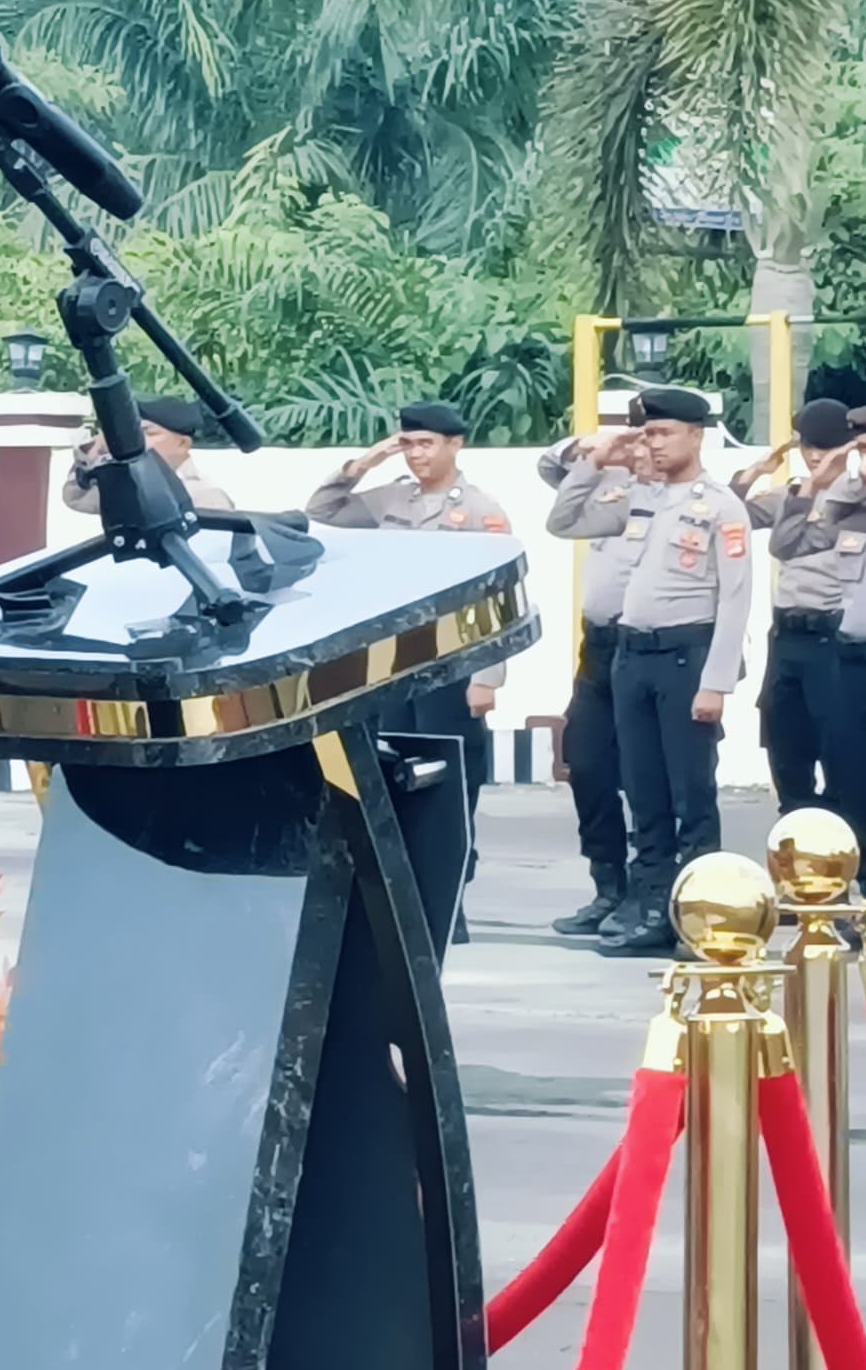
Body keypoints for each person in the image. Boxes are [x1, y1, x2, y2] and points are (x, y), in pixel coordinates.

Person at [542, 383, 752, 955]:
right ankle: (651, 905)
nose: (653, 443)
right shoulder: (637, 496)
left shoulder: (720, 506)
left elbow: (736, 598)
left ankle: (704, 913)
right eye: (648, 433)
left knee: (690, 794)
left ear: (696, 436)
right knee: (644, 791)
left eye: (663, 433)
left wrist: (716, 683)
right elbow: (564, 521)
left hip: (686, 656)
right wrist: (594, 462)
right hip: (630, 657)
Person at [313, 401, 516, 925]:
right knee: (392, 775)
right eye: (408, 445)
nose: (416, 455)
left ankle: (450, 905)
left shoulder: (480, 510)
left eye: (426, 444)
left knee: (449, 785)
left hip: (451, 666)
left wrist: (488, 676)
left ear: (455, 444)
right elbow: (323, 509)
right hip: (393, 664)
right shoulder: (390, 499)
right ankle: (404, 902)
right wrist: (367, 461)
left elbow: (497, 596)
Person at [775, 402, 866, 931]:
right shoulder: (851, 506)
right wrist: (828, 485)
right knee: (856, 784)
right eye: (861, 448)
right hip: (849, 659)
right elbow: (787, 544)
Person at [533, 420, 645, 939]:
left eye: (653, 434)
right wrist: (592, 448)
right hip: (599, 647)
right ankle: (608, 886)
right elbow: (549, 467)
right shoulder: (605, 480)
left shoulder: (677, 493)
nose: (643, 445)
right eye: (637, 435)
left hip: (649, 647)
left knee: (649, 777)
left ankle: (650, 892)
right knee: (587, 763)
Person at [737, 403, 851, 821]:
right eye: (809, 446)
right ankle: (795, 835)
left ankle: (845, 844)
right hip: (787, 636)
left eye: (827, 447)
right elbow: (724, 515)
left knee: (840, 749)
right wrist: (755, 471)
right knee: (785, 742)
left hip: (834, 635)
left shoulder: (859, 498)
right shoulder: (789, 495)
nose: (816, 456)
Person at [75, 393, 238, 514]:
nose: (138, 443)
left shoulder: (207, 496)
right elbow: (77, 497)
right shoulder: (133, 483)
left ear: (182, 444)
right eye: (134, 435)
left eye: (148, 433)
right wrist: (93, 450)